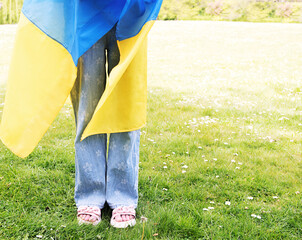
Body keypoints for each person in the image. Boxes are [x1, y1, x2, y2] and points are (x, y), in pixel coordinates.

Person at [0, 0, 163, 228]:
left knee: (126, 102)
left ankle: (122, 195)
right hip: (84, 12)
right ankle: (90, 195)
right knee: (87, 104)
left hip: (131, 12)